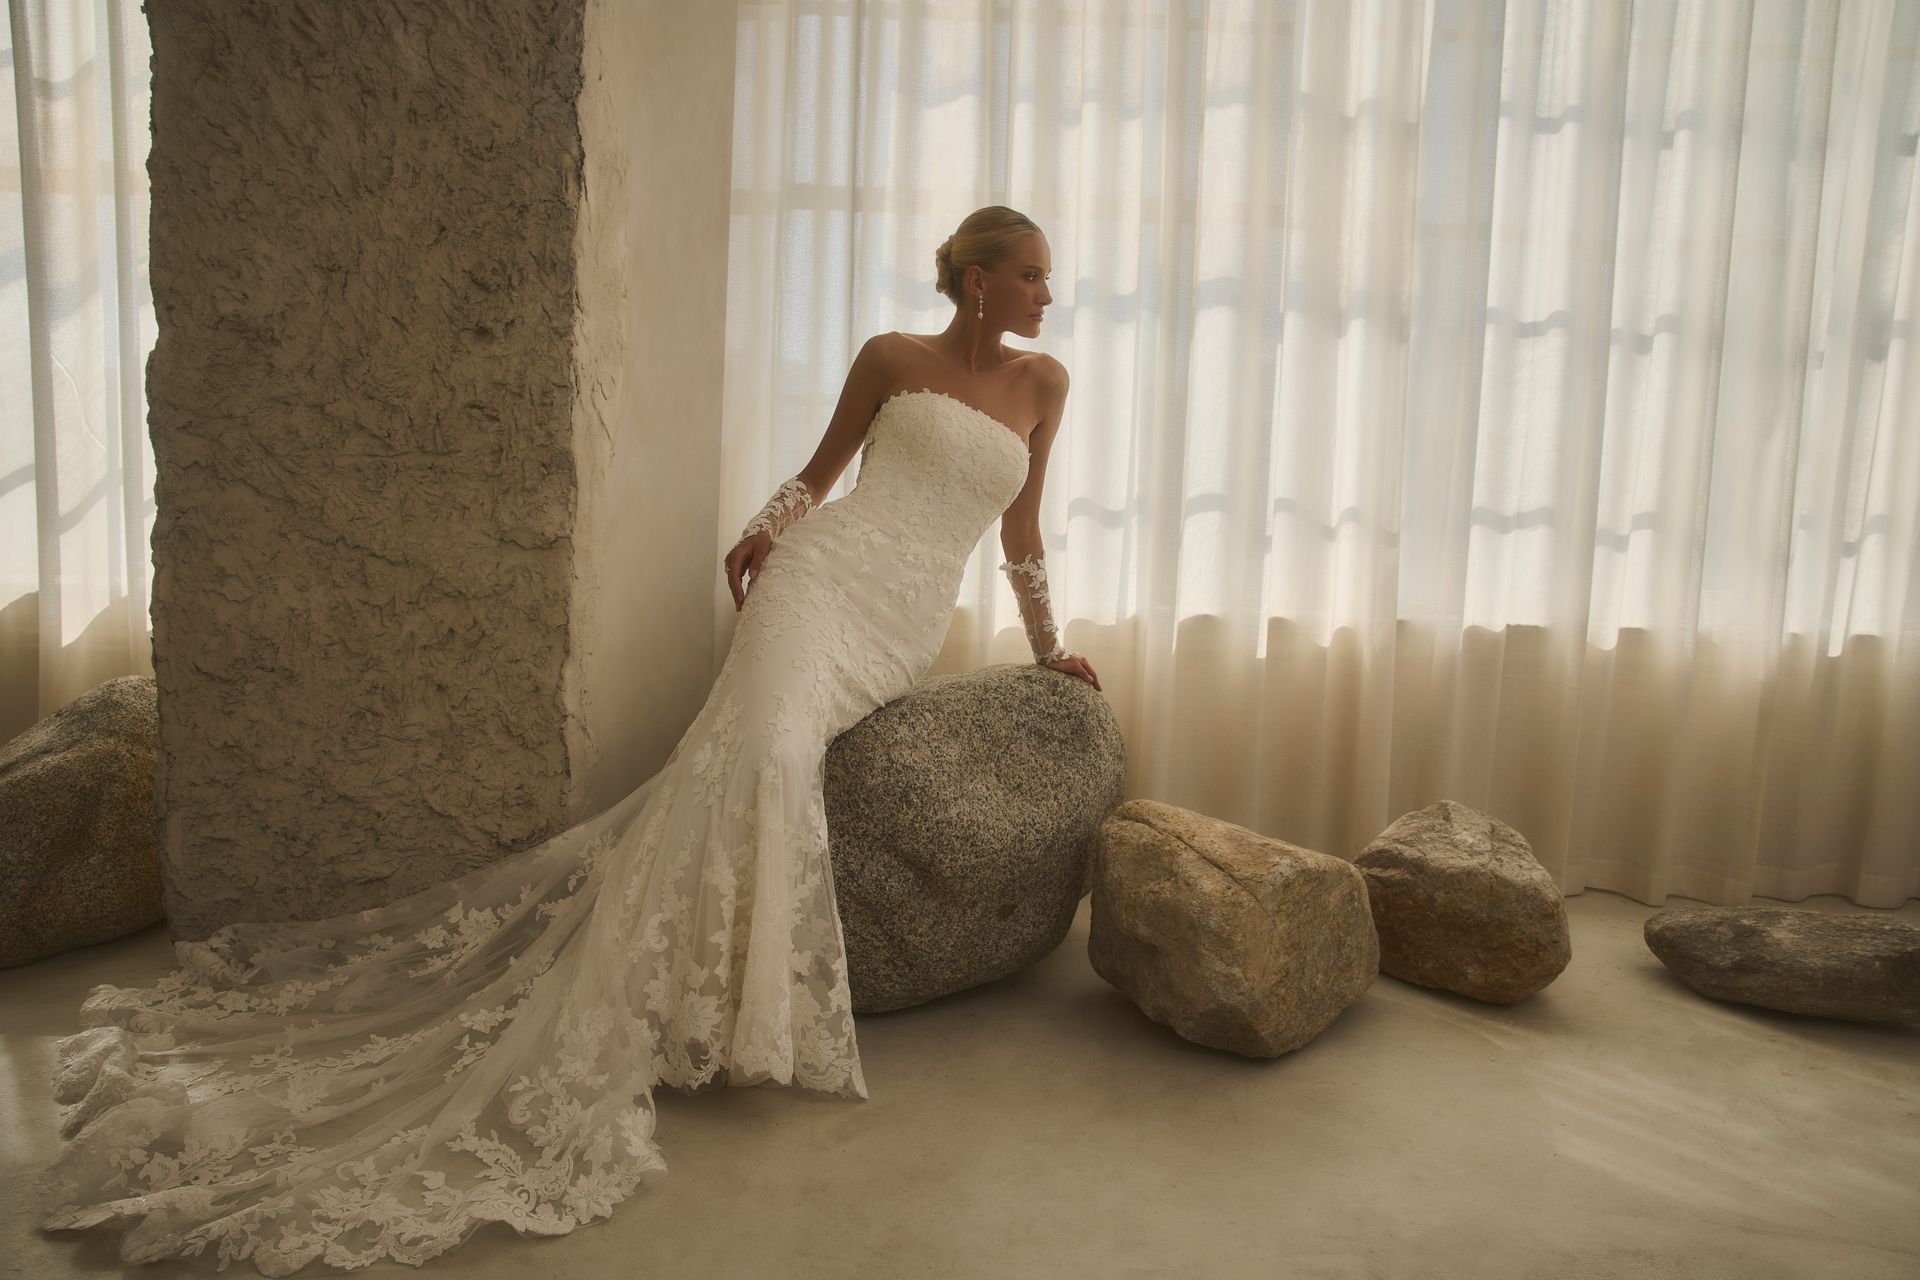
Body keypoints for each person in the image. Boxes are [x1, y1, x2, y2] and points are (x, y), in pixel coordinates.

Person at [37, 205, 1100, 1276]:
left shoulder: (1042, 387)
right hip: (820, 580)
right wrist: (768, 525)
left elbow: (1019, 532)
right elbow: (822, 474)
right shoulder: (888, 357)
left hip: (899, 618)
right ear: (975, 278)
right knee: (768, 757)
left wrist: (1052, 648)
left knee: (744, 765)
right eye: (1031, 276)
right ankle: (710, 1007)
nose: (1046, 296)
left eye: (1046, 281)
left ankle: (714, 996)